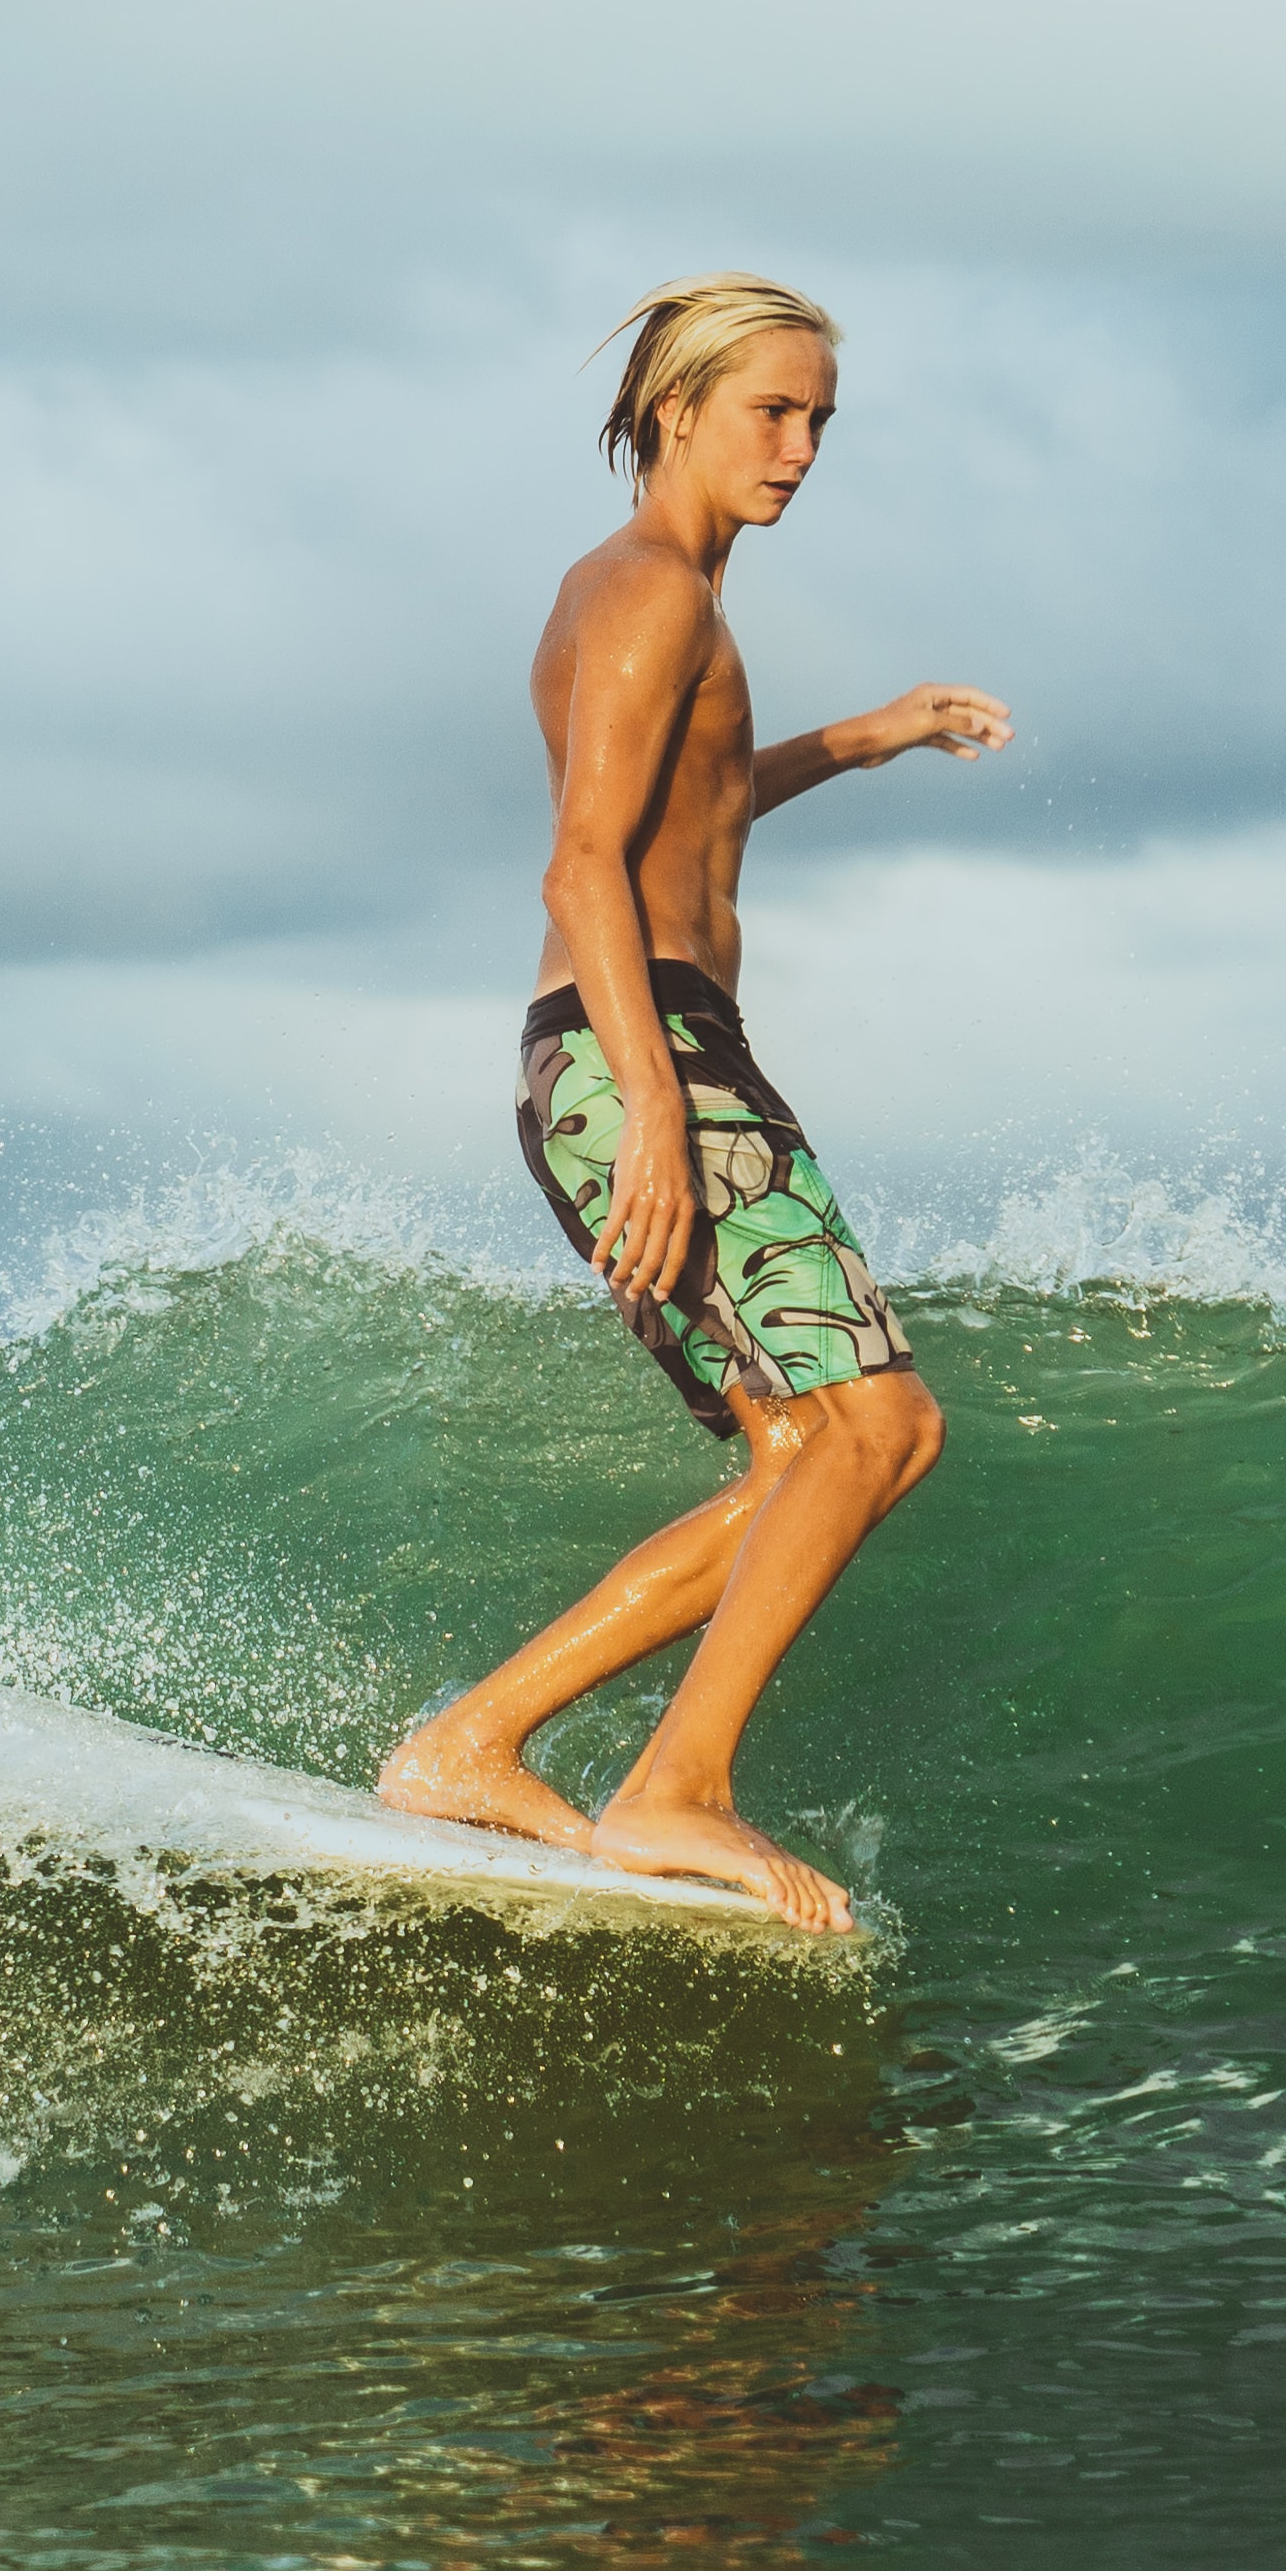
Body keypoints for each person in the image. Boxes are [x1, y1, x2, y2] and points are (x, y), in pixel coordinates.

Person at [375, 274, 1010, 1930]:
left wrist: (862, 740)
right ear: (677, 410)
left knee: (803, 1449)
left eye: (819, 421)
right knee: (883, 1424)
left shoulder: (651, 594)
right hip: (640, 1047)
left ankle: (471, 1740)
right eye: (770, 412)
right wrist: (657, 1112)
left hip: (621, 1045)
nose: (800, 449)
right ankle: (672, 1788)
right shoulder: (651, 589)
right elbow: (584, 858)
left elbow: (695, 803)